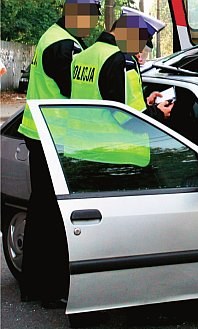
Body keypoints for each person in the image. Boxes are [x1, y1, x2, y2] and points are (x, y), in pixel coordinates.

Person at [16, 0, 100, 307]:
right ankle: (51, 290)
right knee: (53, 217)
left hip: (39, 133)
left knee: (41, 213)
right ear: (75, 15)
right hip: (53, 137)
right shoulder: (64, 46)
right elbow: (74, 90)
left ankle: (35, 286)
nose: (92, 25)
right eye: (91, 18)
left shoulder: (51, 35)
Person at [71, 7, 173, 119]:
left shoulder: (82, 56)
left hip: (80, 133)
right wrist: (158, 113)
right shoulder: (123, 60)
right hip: (113, 135)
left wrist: (145, 103)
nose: (138, 50)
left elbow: (108, 97)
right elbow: (128, 117)